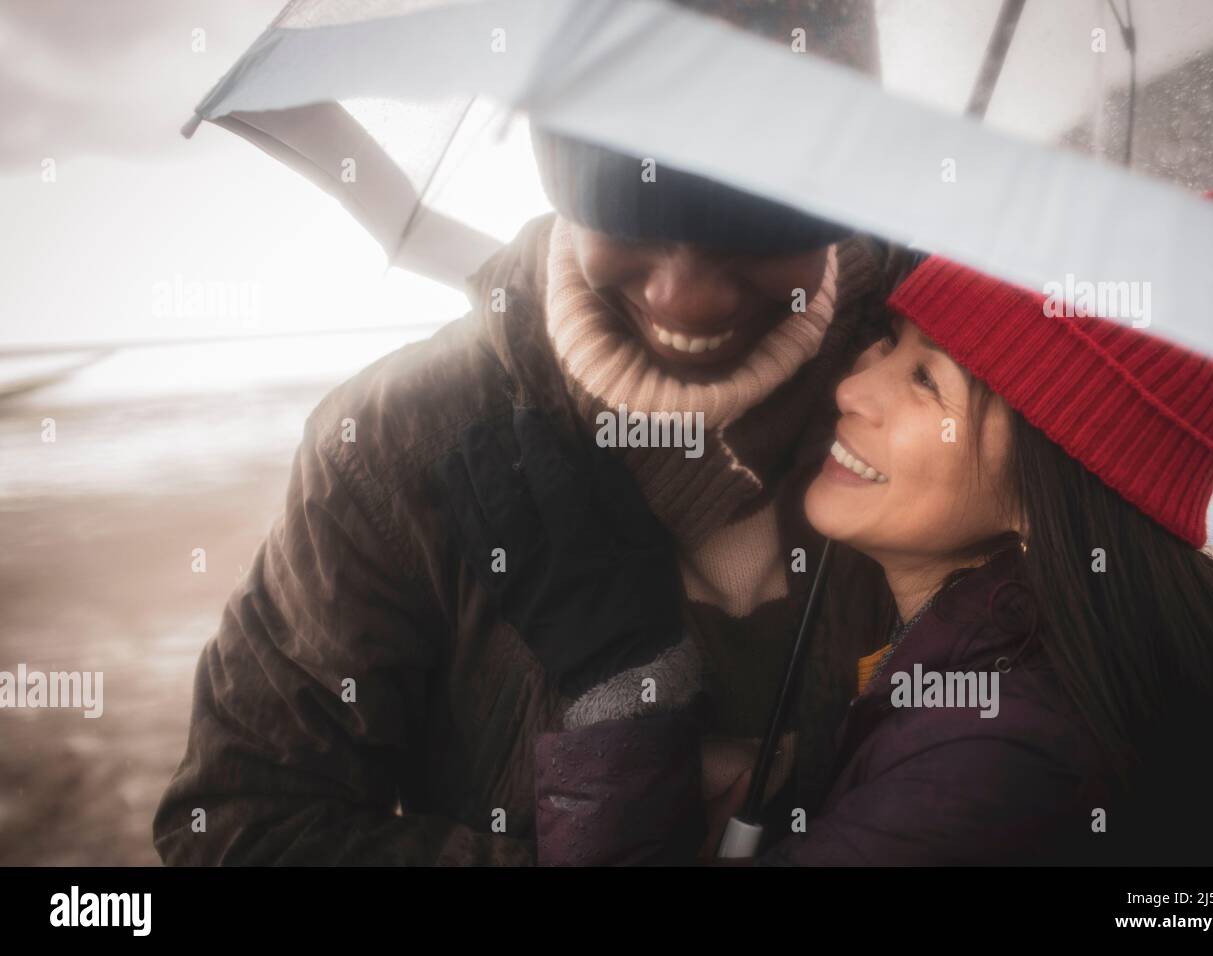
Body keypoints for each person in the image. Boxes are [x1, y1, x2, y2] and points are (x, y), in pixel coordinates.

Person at [152, 2, 912, 865]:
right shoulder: (395, 441)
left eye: (760, 225)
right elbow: (239, 826)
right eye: (625, 208)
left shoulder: (956, 386)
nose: (684, 299)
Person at [525, 253, 1213, 866]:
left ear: (1051, 484)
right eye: (891, 341)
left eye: (928, 382)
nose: (854, 387)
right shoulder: (989, 677)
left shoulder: (1004, 759)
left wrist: (618, 680)